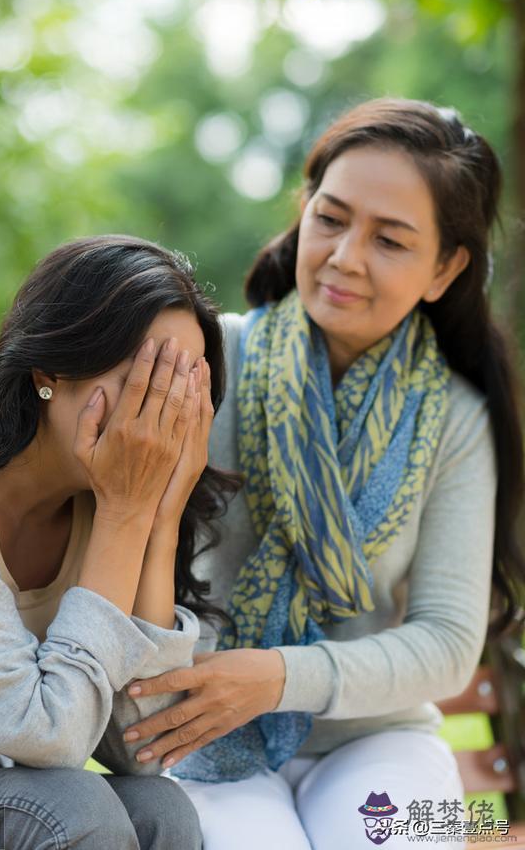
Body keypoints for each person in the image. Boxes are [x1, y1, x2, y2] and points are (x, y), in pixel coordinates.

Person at [100, 100, 525, 849]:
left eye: (390, 240)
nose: (345, 256)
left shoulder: (456, 418)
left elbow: (449, 642)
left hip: (375, 739)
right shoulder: (206, 360)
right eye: (330, 219)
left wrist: (278, 674)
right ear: (304, 212)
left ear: (446, 268)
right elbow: (38, 409)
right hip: (200, 731)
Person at [0, 233, 241, 849]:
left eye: (182, 392)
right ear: (51, 368)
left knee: (161, 810)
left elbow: (142, 749)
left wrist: (157, 521)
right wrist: (128, 514)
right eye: (144, 383)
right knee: (67, 808)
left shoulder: (100, 507)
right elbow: (54, 737)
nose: (157, 422)